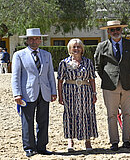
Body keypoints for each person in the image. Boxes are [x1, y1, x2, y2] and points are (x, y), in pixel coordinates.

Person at [94, 20, 130, 151]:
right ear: (108, 31)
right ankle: (114, 142)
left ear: (121, 30)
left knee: (127, 114)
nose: (115, 32)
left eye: (117, 29)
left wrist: (128, 75)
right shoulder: (101, 46)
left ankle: (127, 141)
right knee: (111, 115)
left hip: (129, 84)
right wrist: (108, 77)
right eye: (112, 30)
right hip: (110, 85)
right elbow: (98, 66)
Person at [11, 28, 57, 157]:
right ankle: (29, 147)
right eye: (31, 38)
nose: (34, 41)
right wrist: (17, 93)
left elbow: (50, 75)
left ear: (41, 40)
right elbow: (16, 76)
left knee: (43, 121)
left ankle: (42, 147)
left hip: (44, 92)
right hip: (27, 93)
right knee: (27, 121)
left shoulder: (46, 55)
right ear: (27, 40)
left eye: (37, 38)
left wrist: (53, 91)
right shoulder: (19, 55)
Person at [57, 38, 98, 152]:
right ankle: (70, 140)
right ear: (70, 49)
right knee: (70, 114)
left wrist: (94, 93)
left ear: (82, 49)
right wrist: (60, 96)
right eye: (74, 47)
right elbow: (60, 80)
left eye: (78, 46)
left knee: (87, 114)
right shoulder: (64, 63)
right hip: (69, 92)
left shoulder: (88, 62)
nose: (76, 49)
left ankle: (87, 140)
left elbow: (92, 79)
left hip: (85, 91)